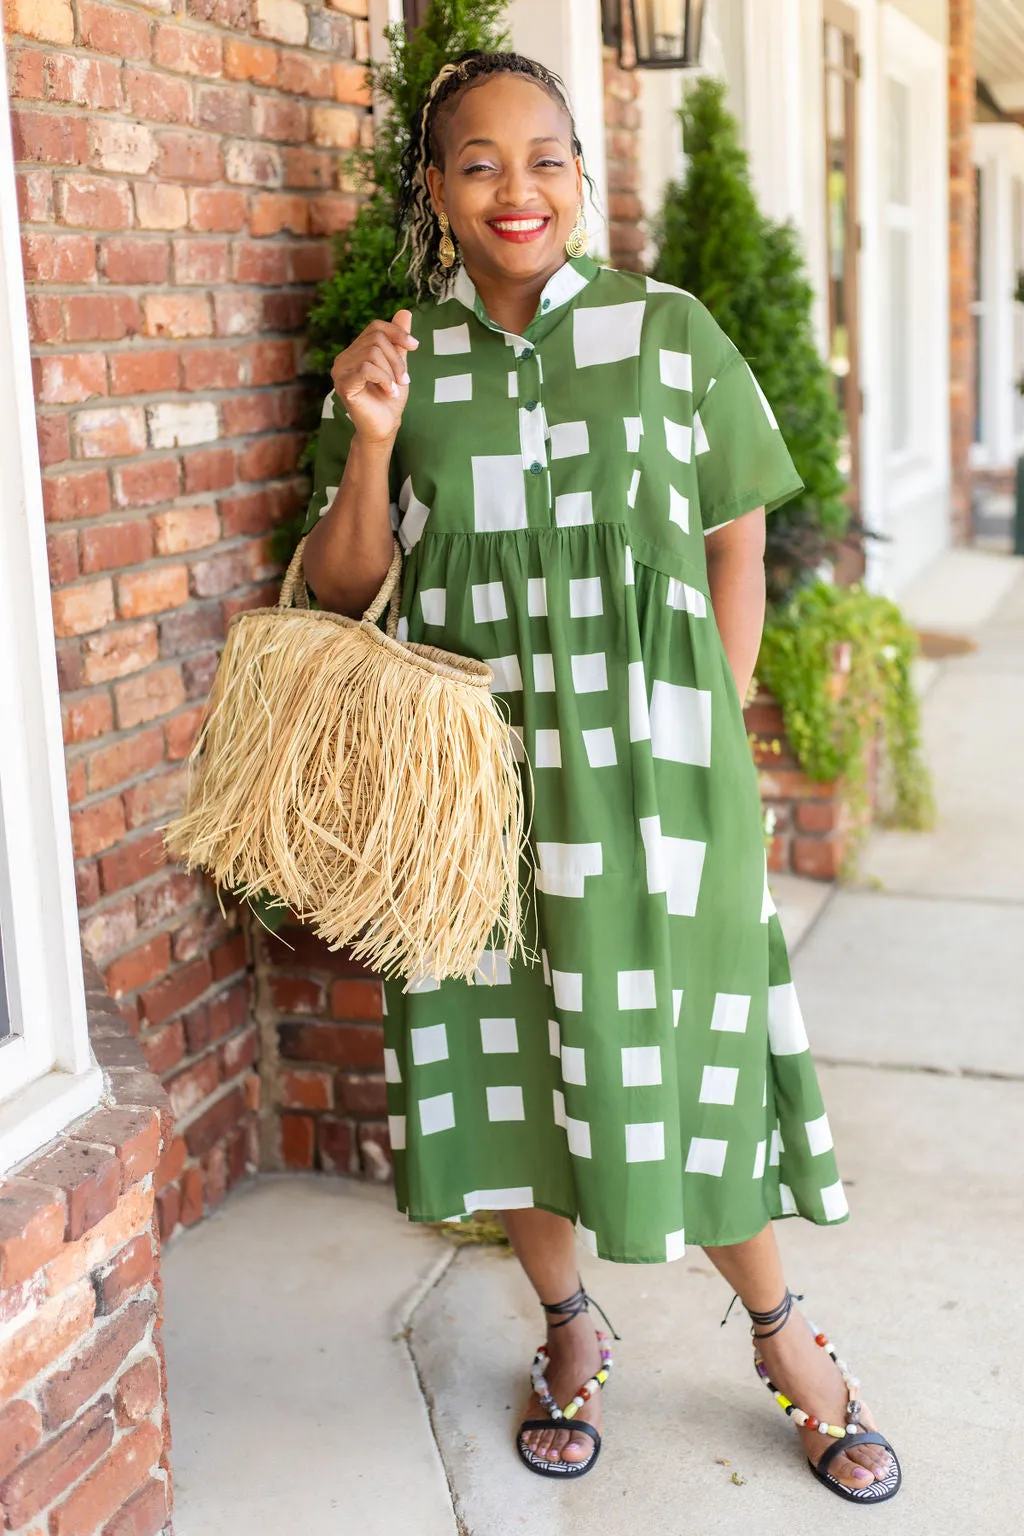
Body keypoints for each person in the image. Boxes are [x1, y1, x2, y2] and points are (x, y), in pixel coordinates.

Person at [300, 50, 901, 1504]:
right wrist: (371, 444)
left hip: (656, 779)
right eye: (482, 163)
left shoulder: (667, 333)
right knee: (513, 1057)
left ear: (583, 170)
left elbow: (736, 537)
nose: (522, 189)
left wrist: (721, 716)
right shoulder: (405, 361)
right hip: (478, 793)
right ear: (436, 191)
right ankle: (569, 1327)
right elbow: (340, 588)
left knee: (688, 1060)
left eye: (549, 157)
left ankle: (784, 1332)